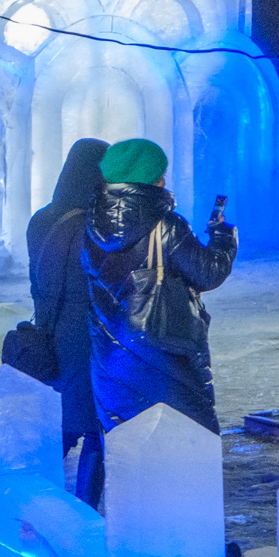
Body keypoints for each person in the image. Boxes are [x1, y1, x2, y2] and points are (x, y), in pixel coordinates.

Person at [82, 139, 237, 439]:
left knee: (127, 443)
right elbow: (209, 272)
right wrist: (222, 236)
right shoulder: (167, 225)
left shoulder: (91, 224)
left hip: (110, 355)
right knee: (188, 439)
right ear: (156, 179)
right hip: (166, 354)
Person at [26, 137, 108, 505]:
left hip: (49, 325)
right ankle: (84, 511)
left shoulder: (42, 218)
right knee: (95, 426)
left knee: (59, 421)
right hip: (86, 331)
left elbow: (37, 277)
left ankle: (28, 498)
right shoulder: (94, 223)